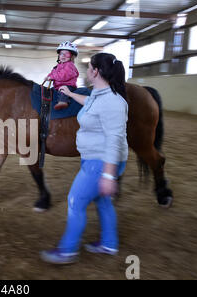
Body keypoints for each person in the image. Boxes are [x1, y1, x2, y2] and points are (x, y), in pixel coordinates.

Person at [40, 53, 128, 264]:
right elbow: (89, 102)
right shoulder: (99, 95)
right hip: (93, 158)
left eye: (89, 67)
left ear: (96, 72)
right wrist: (70, 93)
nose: (87, 70)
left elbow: (114, 140)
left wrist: (108, 174)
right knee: (102, 202)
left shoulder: (113, 102)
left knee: (75, 201)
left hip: (102, 161)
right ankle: (109, 243)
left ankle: (68, 250)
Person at [44, 41, 80, 110]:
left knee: (63, 89)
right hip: (57, 86)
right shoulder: (58, 66)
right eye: (61, 54)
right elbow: (53, 72)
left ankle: (63, 102)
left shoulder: (70, 65)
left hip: (68, 86)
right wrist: (48, 76)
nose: (63, 56)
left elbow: (63, 75)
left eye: (67, 54)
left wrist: (51, 77)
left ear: (72, 56)